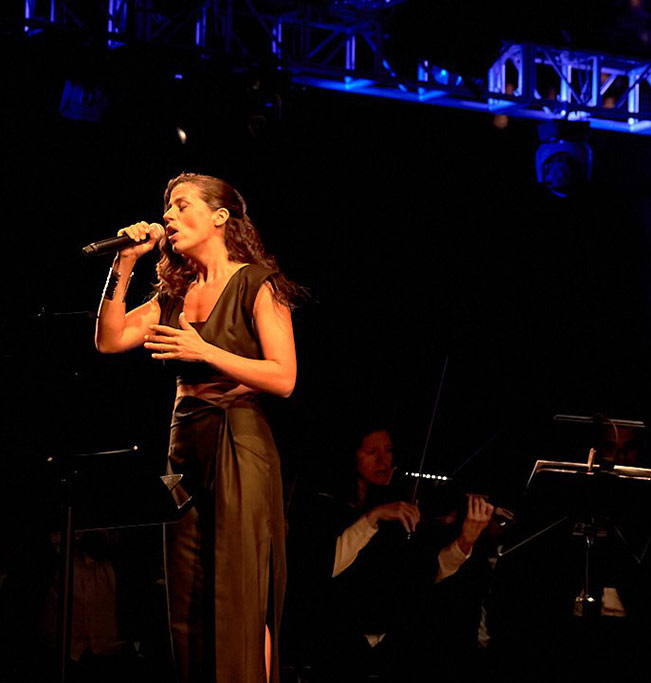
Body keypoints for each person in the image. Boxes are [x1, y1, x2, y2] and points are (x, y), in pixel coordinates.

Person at [94, 172, 301, 682]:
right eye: (166, 207)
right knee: (185, 596)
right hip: (182, 453)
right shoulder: (175, 293)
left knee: (239, 591)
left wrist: (205, 350)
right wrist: (123, 264)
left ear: (219, 217)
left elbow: (285, 377)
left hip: (240, 446)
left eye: (181, 205)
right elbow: (109, 339)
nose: (167, 215)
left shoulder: (258, 282)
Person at [282, 425, 494, 681]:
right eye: (372, 451)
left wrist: (464, 541)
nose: (384, 460)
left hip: (386, 655)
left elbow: (425, 575)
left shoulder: (396, 511)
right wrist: (372, 518)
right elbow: (321, 570)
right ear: (351, 457)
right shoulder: (322, 508)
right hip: (329, 652)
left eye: (389, 450)